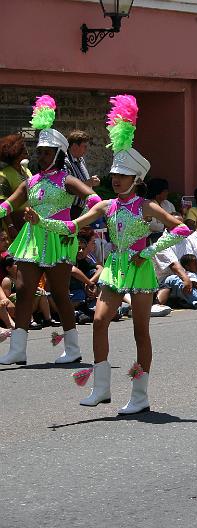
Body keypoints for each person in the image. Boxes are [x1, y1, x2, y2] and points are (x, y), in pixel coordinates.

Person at [28, 94, 191, 413]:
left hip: (140, 266)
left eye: (121, 176)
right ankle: (102, 388)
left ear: (136, 179)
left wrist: (149, 252)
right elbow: (72, 227)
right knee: (100, 321)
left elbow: (181, 228)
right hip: (115, 266)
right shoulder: (106, 205)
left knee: (139, 331)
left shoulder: (146, 206)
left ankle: (140, 395)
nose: (115, 180)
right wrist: (42, 221)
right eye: (114, 176)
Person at [0, 95, 101, 366]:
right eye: (39, 151)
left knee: (58, 293)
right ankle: (18, 348)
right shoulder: (31, 181)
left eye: (45, 151)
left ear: (57, 154)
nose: (39, 154)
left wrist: (78, 222)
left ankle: (72, 347)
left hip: (58, 238)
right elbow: (8, 206)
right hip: (32, 240)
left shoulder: (67, 180)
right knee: (23, 288)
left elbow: (95, 201)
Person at [0, 133, 31, 238]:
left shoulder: (26, 171)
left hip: (29, 221)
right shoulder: (4, 175)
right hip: (15, 223)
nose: (27, 153)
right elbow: (2, 203)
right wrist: (10, 226)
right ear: (15, 154)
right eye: (23, 151)